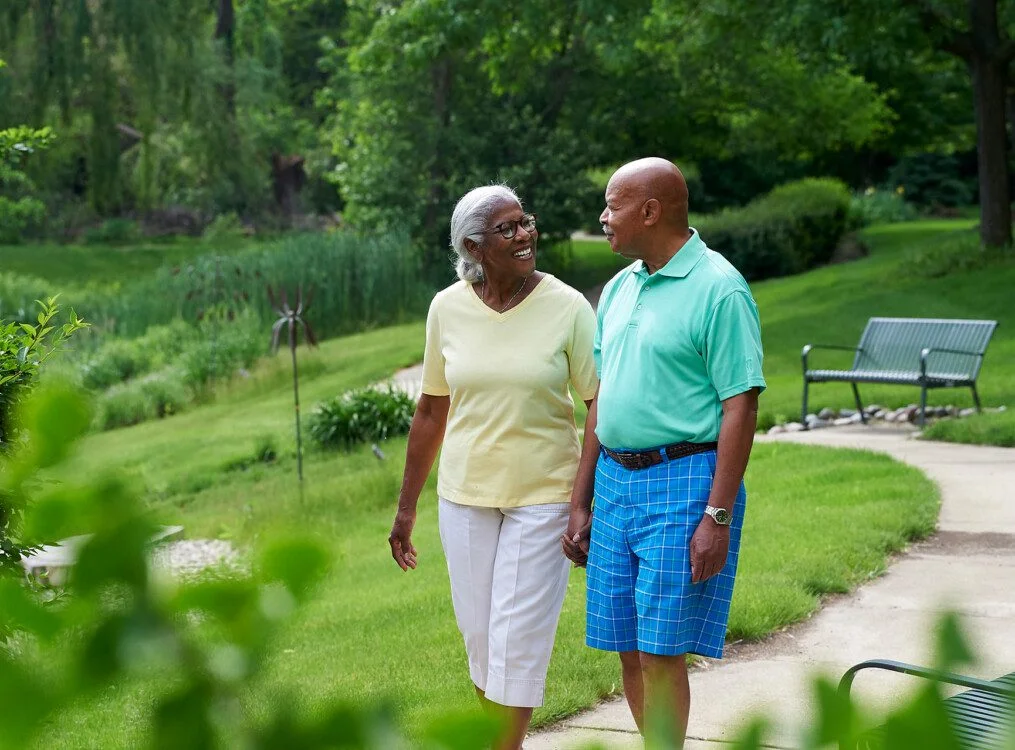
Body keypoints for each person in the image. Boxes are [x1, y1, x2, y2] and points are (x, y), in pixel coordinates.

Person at [562, 157, 766, 744]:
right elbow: (602, 400)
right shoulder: (620, 288)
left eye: (612, 205)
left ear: (650, 211)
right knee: (626, 648)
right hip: (616, 484)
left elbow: (741, 406)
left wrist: (717, 515)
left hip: (684, 483)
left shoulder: (720, 289)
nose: (603, 217)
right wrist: (581, 500)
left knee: (660, 652)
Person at [388, 185, 599, 750]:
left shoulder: (569, 306)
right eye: (506, 228)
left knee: (517, 640)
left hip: (545, 495)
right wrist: (405, 509)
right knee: (481, 638)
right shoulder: (446, 307)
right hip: (464, 496)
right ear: (473, 246)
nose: (525, 233)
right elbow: (432, 407)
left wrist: (582, 501)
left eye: (524, 221)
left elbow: (598, 403)